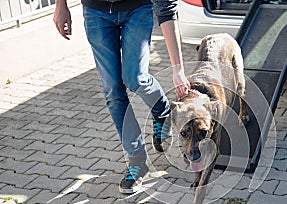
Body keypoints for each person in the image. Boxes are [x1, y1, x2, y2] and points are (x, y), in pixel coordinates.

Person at [53, 0, 190, 193]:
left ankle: (161, 109)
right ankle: (137, 160)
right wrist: (60, 5)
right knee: (113, 90)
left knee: (135, 79)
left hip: (137, 9)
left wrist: (178, 70)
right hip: (96, 12)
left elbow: (166, 8)